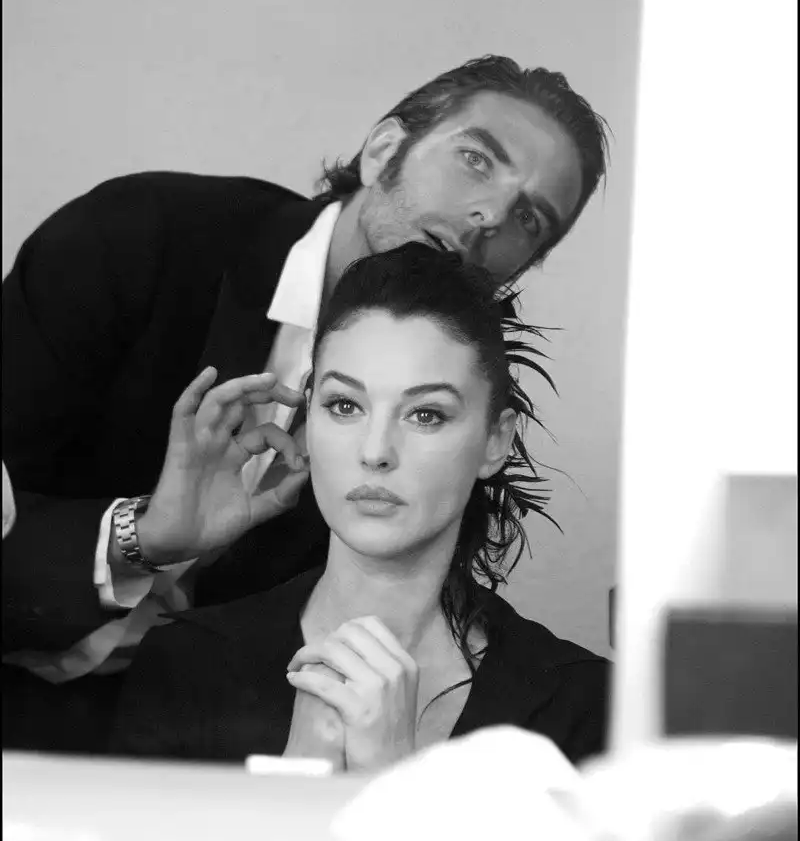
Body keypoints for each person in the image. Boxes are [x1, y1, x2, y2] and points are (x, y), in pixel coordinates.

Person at [2, 54, 609, 734]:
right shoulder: (140, 237)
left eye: (530, 218)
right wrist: (143, 536)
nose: (490, 215)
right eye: (475, 160)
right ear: (383, 150)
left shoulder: (451, 412)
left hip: (200, 738)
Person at [108, 245, 610, 771]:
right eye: (345, 406)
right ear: (308, 417)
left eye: (426, 415)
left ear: (495, 440)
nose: (375, 452)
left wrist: (385, 775)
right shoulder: (186, 664)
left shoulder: (579, 704)